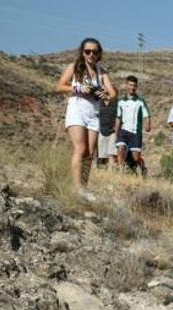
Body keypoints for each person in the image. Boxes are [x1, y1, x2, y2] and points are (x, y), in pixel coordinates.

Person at [55, 37, 117, 201]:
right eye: (87, 51)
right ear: (82, 52)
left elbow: (113, 94)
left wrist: (104, 95)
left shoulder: (101, 72)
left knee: (90, 153)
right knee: (80, 148)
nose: (91, 54)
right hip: (77, 111)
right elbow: (60, 85)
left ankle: (84, 187)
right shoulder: (74, 67)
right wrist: (78, 87)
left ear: (99, 54)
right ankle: (76, 188)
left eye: (94, 52)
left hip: (93, 114)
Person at [115, 75, 151, 176]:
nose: (132, 87)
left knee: (136, 157)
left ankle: (141, 166)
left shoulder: (140, 101)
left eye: (134, 85)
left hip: (136, 132)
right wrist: (116, 132)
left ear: (136, 87)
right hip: (123, 130)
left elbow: (147, 114)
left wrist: (147, 125)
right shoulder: (121, 101)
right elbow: (118, 117)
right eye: (130, 85)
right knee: (121, 148)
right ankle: (121, 172)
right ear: (126, 85)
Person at [96, 98, 118, 169]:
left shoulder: (116, 102)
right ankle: (104, 174)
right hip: (101, 130)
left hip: (113, 131)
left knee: (112, 153)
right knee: (102, 155)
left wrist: (117, 127)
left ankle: (110, 172)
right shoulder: (99, 102)